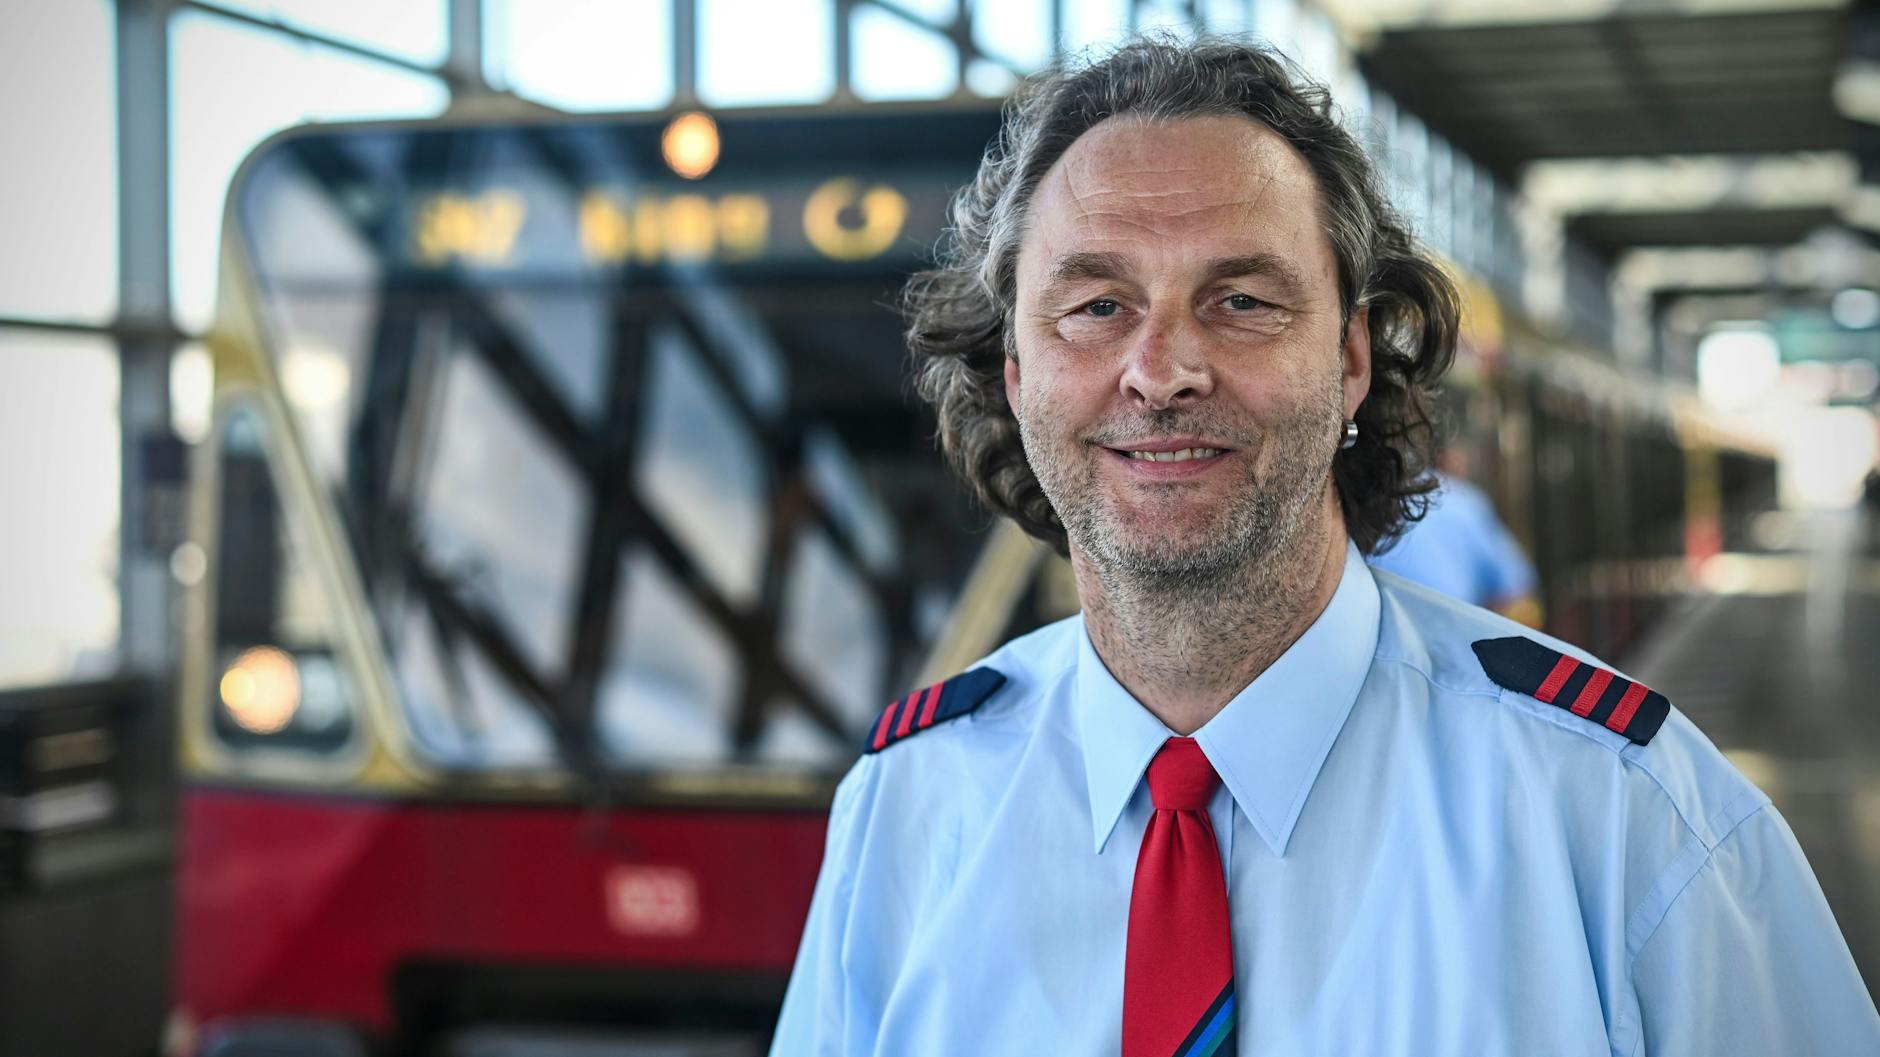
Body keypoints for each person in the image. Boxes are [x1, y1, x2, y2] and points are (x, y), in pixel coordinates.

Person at [769, 37, 1880, 1056]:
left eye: (1242, 299)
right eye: (1096, 306)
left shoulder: (1631, 820)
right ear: (1016, 378)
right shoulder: (904, 813)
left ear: (1352, 360)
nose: (1161, 372)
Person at [1367, 446, 1543, 625]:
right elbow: (1516, 589)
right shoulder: (1466, 501)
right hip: (1456, 628)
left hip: (1381, 626)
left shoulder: (1367, 501)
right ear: (1443, 458)